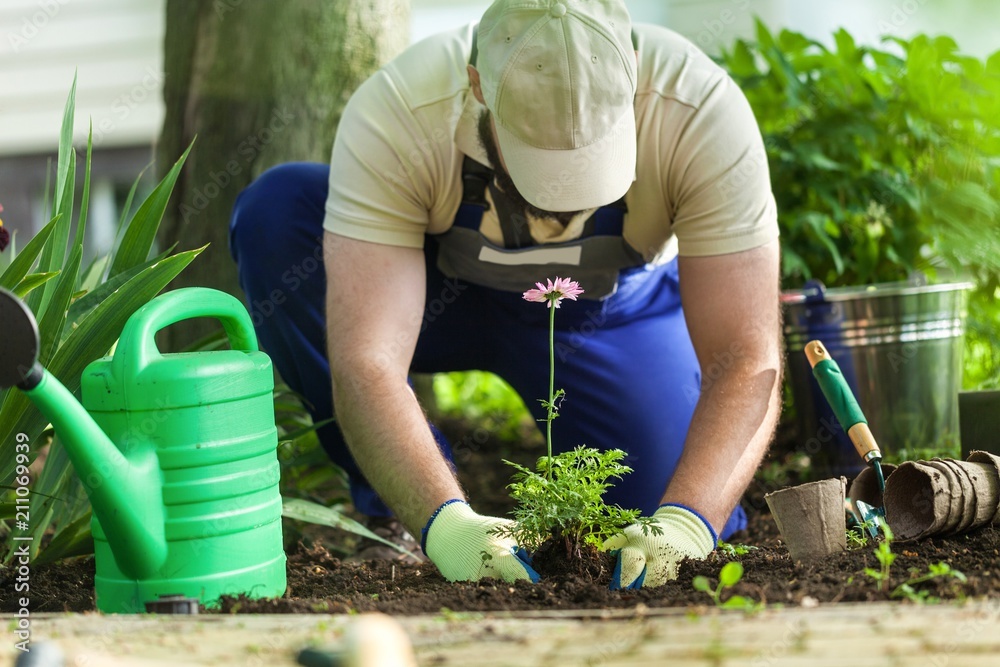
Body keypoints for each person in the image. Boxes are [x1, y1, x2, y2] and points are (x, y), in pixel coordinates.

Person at [229, 0, 782, 589]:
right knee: (277, 212)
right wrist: (445, 524)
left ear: (633, 77)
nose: (566, 198)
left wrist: (688, 523)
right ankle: (395, 512)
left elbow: (748, 358)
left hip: (604, 313)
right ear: (478, 87)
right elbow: (367, 359)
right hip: (439, 296)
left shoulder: (698, 110)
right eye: (541, 164)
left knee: (660, 509)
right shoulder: (402, 109)